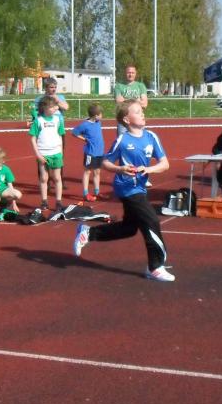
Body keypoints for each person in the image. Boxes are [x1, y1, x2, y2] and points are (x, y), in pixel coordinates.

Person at [73, 99, 174, 282]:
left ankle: (88, 233)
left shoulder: (151, 137)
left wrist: (148, 169)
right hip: (126, 187)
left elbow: (165, 164)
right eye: (137, 111)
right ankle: (155, 266)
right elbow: (105, 162)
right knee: (151, 221)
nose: (142, 114)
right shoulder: (122, 140)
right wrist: (120, 169)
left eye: (142, 111)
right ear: (127, 120)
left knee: (129, 228)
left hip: (140, 187)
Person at [30, 95, 65, 211]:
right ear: (45, 107)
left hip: (56, 153)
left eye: (56, 106)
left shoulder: (58, 120)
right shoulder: (38, 121)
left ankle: (58, 202)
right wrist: (38, 154)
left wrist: (60, 151)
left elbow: (60, 135)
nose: (56, 108)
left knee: (57, 178)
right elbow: (33, 139)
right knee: (44, 178)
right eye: (52, 106)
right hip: (43, 154)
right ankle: (44, 201)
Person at [71, 103, 105, 201]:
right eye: (101, 114)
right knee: (87, 172)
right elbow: (74, 132)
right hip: (90, 152)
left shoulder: (98, 122)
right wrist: (84, 139)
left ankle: (97, 192)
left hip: (99, 152)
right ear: (96, 115)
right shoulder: (85, 125)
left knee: (97, 172)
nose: (102, 116)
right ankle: (85, 193)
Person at [114, 64, 148, 136]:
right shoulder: (119, 86)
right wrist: (137, 101)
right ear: (125, 73)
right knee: (123, 141)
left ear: (135, 74)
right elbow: (119, 102)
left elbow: (144, 104)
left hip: (138, 121)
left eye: (132, 73)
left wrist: (125, 100)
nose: (130, 75)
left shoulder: (141, 86)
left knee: (140, 140)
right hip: (124, 121)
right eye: (128, 72)